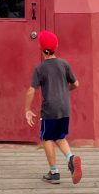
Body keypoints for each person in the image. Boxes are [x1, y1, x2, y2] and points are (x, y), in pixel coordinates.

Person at [24, 29, 82, 185]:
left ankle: (54, 172)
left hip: (50, 109)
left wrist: (27, 110)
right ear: (56, 47)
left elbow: (31, 90)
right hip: (65, 108)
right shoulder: (64, 64)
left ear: (41, 48)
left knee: (47, 138)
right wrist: (64, 91)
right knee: (60, 136)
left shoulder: (40, 68)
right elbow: (76, 84)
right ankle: (71, 158)